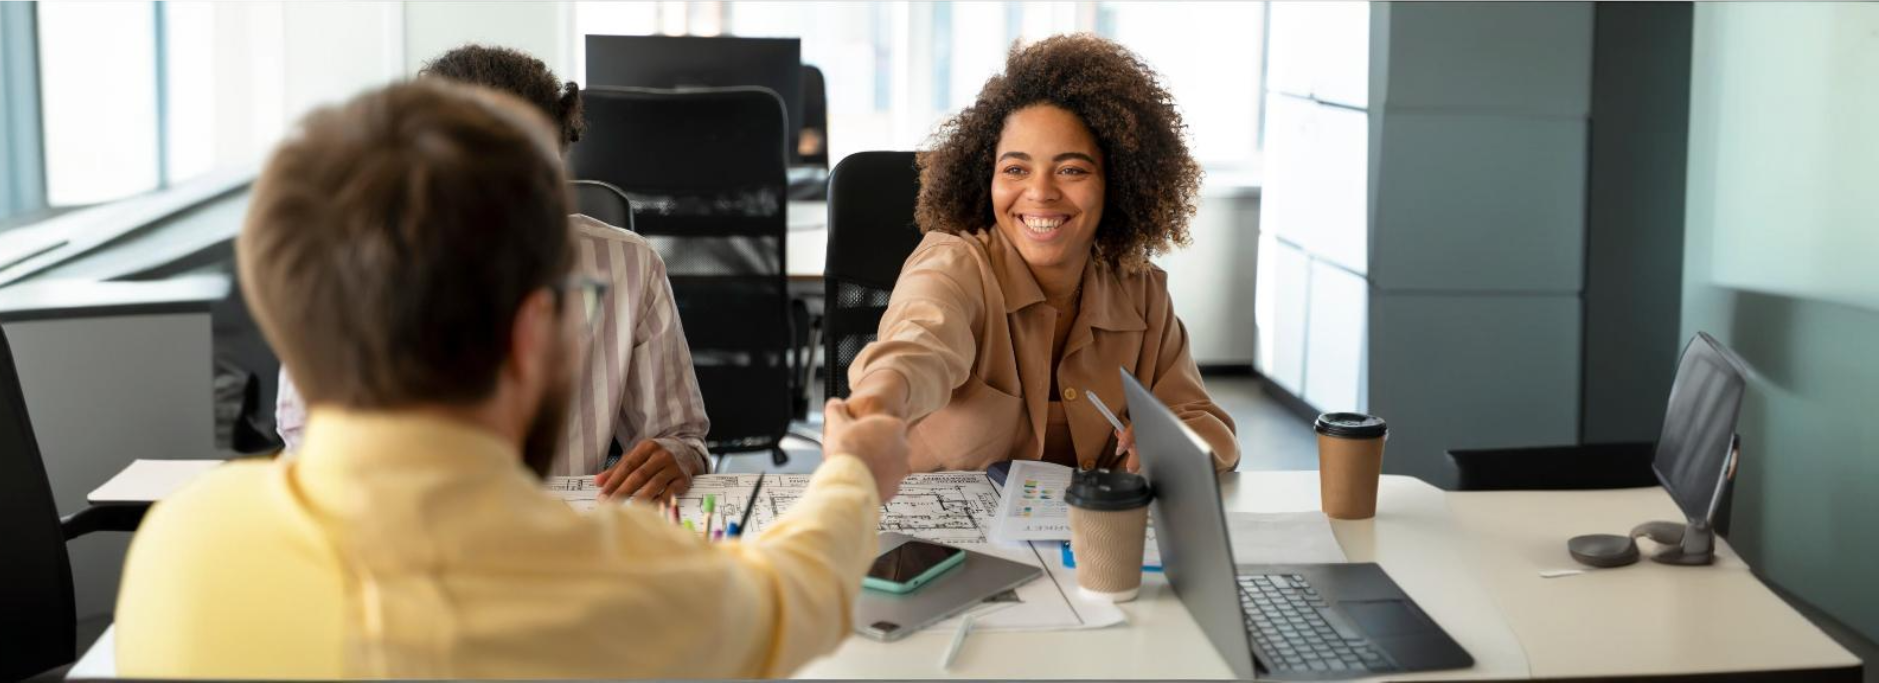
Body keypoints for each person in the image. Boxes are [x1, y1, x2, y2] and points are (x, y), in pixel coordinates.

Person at [116, 80, 911, 679]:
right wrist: (853, 476)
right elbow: (791, 597)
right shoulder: (611, 578)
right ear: (538, 330)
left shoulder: (175, 544)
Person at [275, 44, 707, 501]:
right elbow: (306, 437)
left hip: (559, 532)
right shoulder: (352, 264)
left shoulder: (629, 266)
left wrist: (676, 454)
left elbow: (680, 436)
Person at [845, 34, 1239, 473]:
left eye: (1071, 170)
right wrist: (876, 403)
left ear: (1118, 182)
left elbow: (1205, 425)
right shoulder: (953, 267)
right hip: (937, 540)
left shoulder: (1139, 290)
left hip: (1092, 539)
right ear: (986, 178)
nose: (1040, 193)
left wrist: (1174, 446)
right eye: (1015, 169)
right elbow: (915, 349)